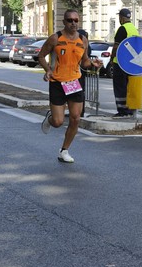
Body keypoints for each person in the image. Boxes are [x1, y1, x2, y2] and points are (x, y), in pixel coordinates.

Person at [38, 9, 103, 163]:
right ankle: (50, 118)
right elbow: (40, 56)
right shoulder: (55, 38)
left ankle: (64, 150)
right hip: (58, 83)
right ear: (64, 22)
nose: (73, 23)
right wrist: (48, 70)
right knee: (58, 122)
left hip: (75, 82)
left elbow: (84, 62)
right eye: (70, 20)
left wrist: (93, 64)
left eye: (76, 20)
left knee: (75, 118)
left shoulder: (83, 40)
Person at [110, 8, 139, 117]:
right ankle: (129, 110)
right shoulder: (134, 29)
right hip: (131, 63)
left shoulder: (122, 29)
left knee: (120, 87)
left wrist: (112, 58)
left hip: (120, 62)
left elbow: (116, 46)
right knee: (128, 87)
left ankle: (122, 111)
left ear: (121, 18)